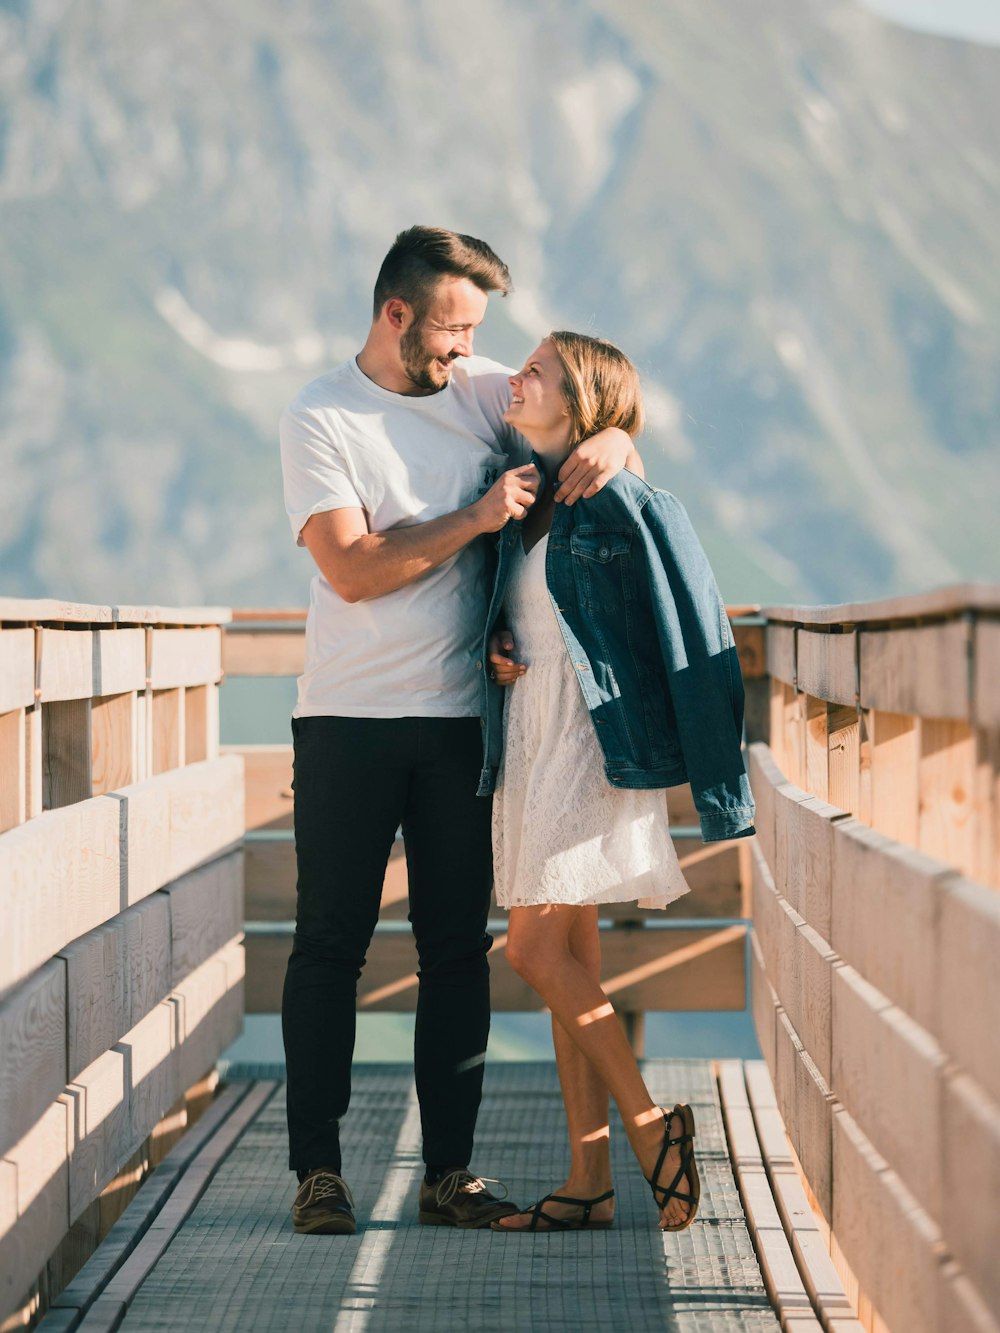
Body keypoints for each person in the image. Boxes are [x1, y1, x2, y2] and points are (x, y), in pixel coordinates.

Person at [278, 227, 638, 1235]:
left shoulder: (479, 388)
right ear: (395, 315)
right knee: (329, 947)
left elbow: (590, 423)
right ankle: (318, 1171)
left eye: (477, 329)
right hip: (346, 720)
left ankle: (449, 1174)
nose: (470, 350)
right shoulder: (321, 414)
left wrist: (618, 441)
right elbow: (351, 571)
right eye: (452, 328)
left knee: (454, 951)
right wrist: (476, 519)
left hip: (458, 726)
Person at [478, 332, 756, 1233]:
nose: (516, 378)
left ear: (581, 402)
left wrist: (626, 443)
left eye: (538, 372)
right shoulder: (531, 496)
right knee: (572, 957)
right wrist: (499, 645)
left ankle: (650, 1128)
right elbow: (532, 612)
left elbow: (690, 613)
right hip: (532, 735)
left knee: (529, 951)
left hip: (592, 743)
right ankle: (586, 1181)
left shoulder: (623, 496)